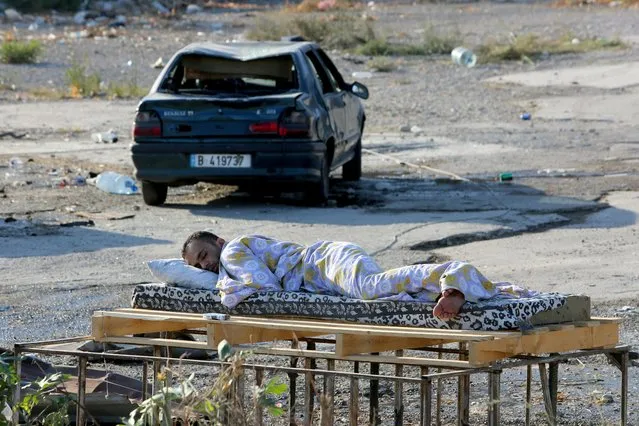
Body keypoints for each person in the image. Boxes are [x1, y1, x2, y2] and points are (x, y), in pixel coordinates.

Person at [182, 231, 533, 320]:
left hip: (321, 261)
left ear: (217, 241)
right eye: (198, 267)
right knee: (390, 291)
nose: (205, 266)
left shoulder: (231, 252)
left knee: (370, 287)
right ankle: (451, 291)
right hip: (323, 271)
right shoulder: (227, 258)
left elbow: (265, 286)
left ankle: (454, 274)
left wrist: (223, 285)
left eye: (203, 255)